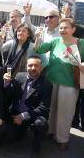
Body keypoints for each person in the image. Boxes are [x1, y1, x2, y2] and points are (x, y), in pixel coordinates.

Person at [34, 18, 84, 151]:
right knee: (51, 108)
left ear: (73, 29)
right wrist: (38, 38)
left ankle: (62, 138)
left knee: (65, 111)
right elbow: (39, 50)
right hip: (51, 80)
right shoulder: (55, 41)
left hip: (69, 83)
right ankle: (50, 131)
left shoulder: (81, 43)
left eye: (66, 27)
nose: (62, 30)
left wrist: (80, 65)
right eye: (61, 28)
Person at [3, 56, 52, 153]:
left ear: (41, 68)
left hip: (33, 115)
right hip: (16, 113)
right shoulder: (19, 76)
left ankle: (36, 146)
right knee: (9, 138)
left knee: (41, 124)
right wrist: (7, 83)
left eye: (36, 66)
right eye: (30, 65)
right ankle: (21, 130)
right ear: (26, 67)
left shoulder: (47, 84)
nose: (33, 68)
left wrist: (22, 116)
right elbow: (10, 94)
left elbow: (43, 108)